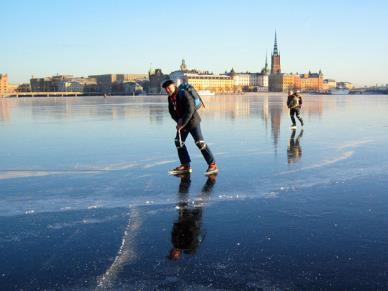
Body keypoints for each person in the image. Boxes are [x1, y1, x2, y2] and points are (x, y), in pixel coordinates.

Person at [162, 79, 218, 175]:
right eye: (166, 89)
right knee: (178, 142)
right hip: (183, 123)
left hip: (193, 122)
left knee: (200, 143)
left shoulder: (183, 94)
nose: (167, 90)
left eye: (169, 88)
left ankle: (212, 164)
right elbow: (171, 112)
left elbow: (190, 110)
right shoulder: (170, 98)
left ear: (174, 86)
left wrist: (182, 123)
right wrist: (178, 121)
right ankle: (185, 165)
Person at [169, 174, 217, 261]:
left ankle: (185, 180)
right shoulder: (186, 246)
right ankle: (210, 182)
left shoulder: (175, 243)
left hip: (184, 220)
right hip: (192, 221)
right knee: (199, 202)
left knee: (182, 200)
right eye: (173, 254)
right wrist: (187, 222)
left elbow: (174, 230)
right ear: (178, 255)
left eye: (171, 253)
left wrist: (179, 221)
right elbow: (192, 233)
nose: (172, 252)